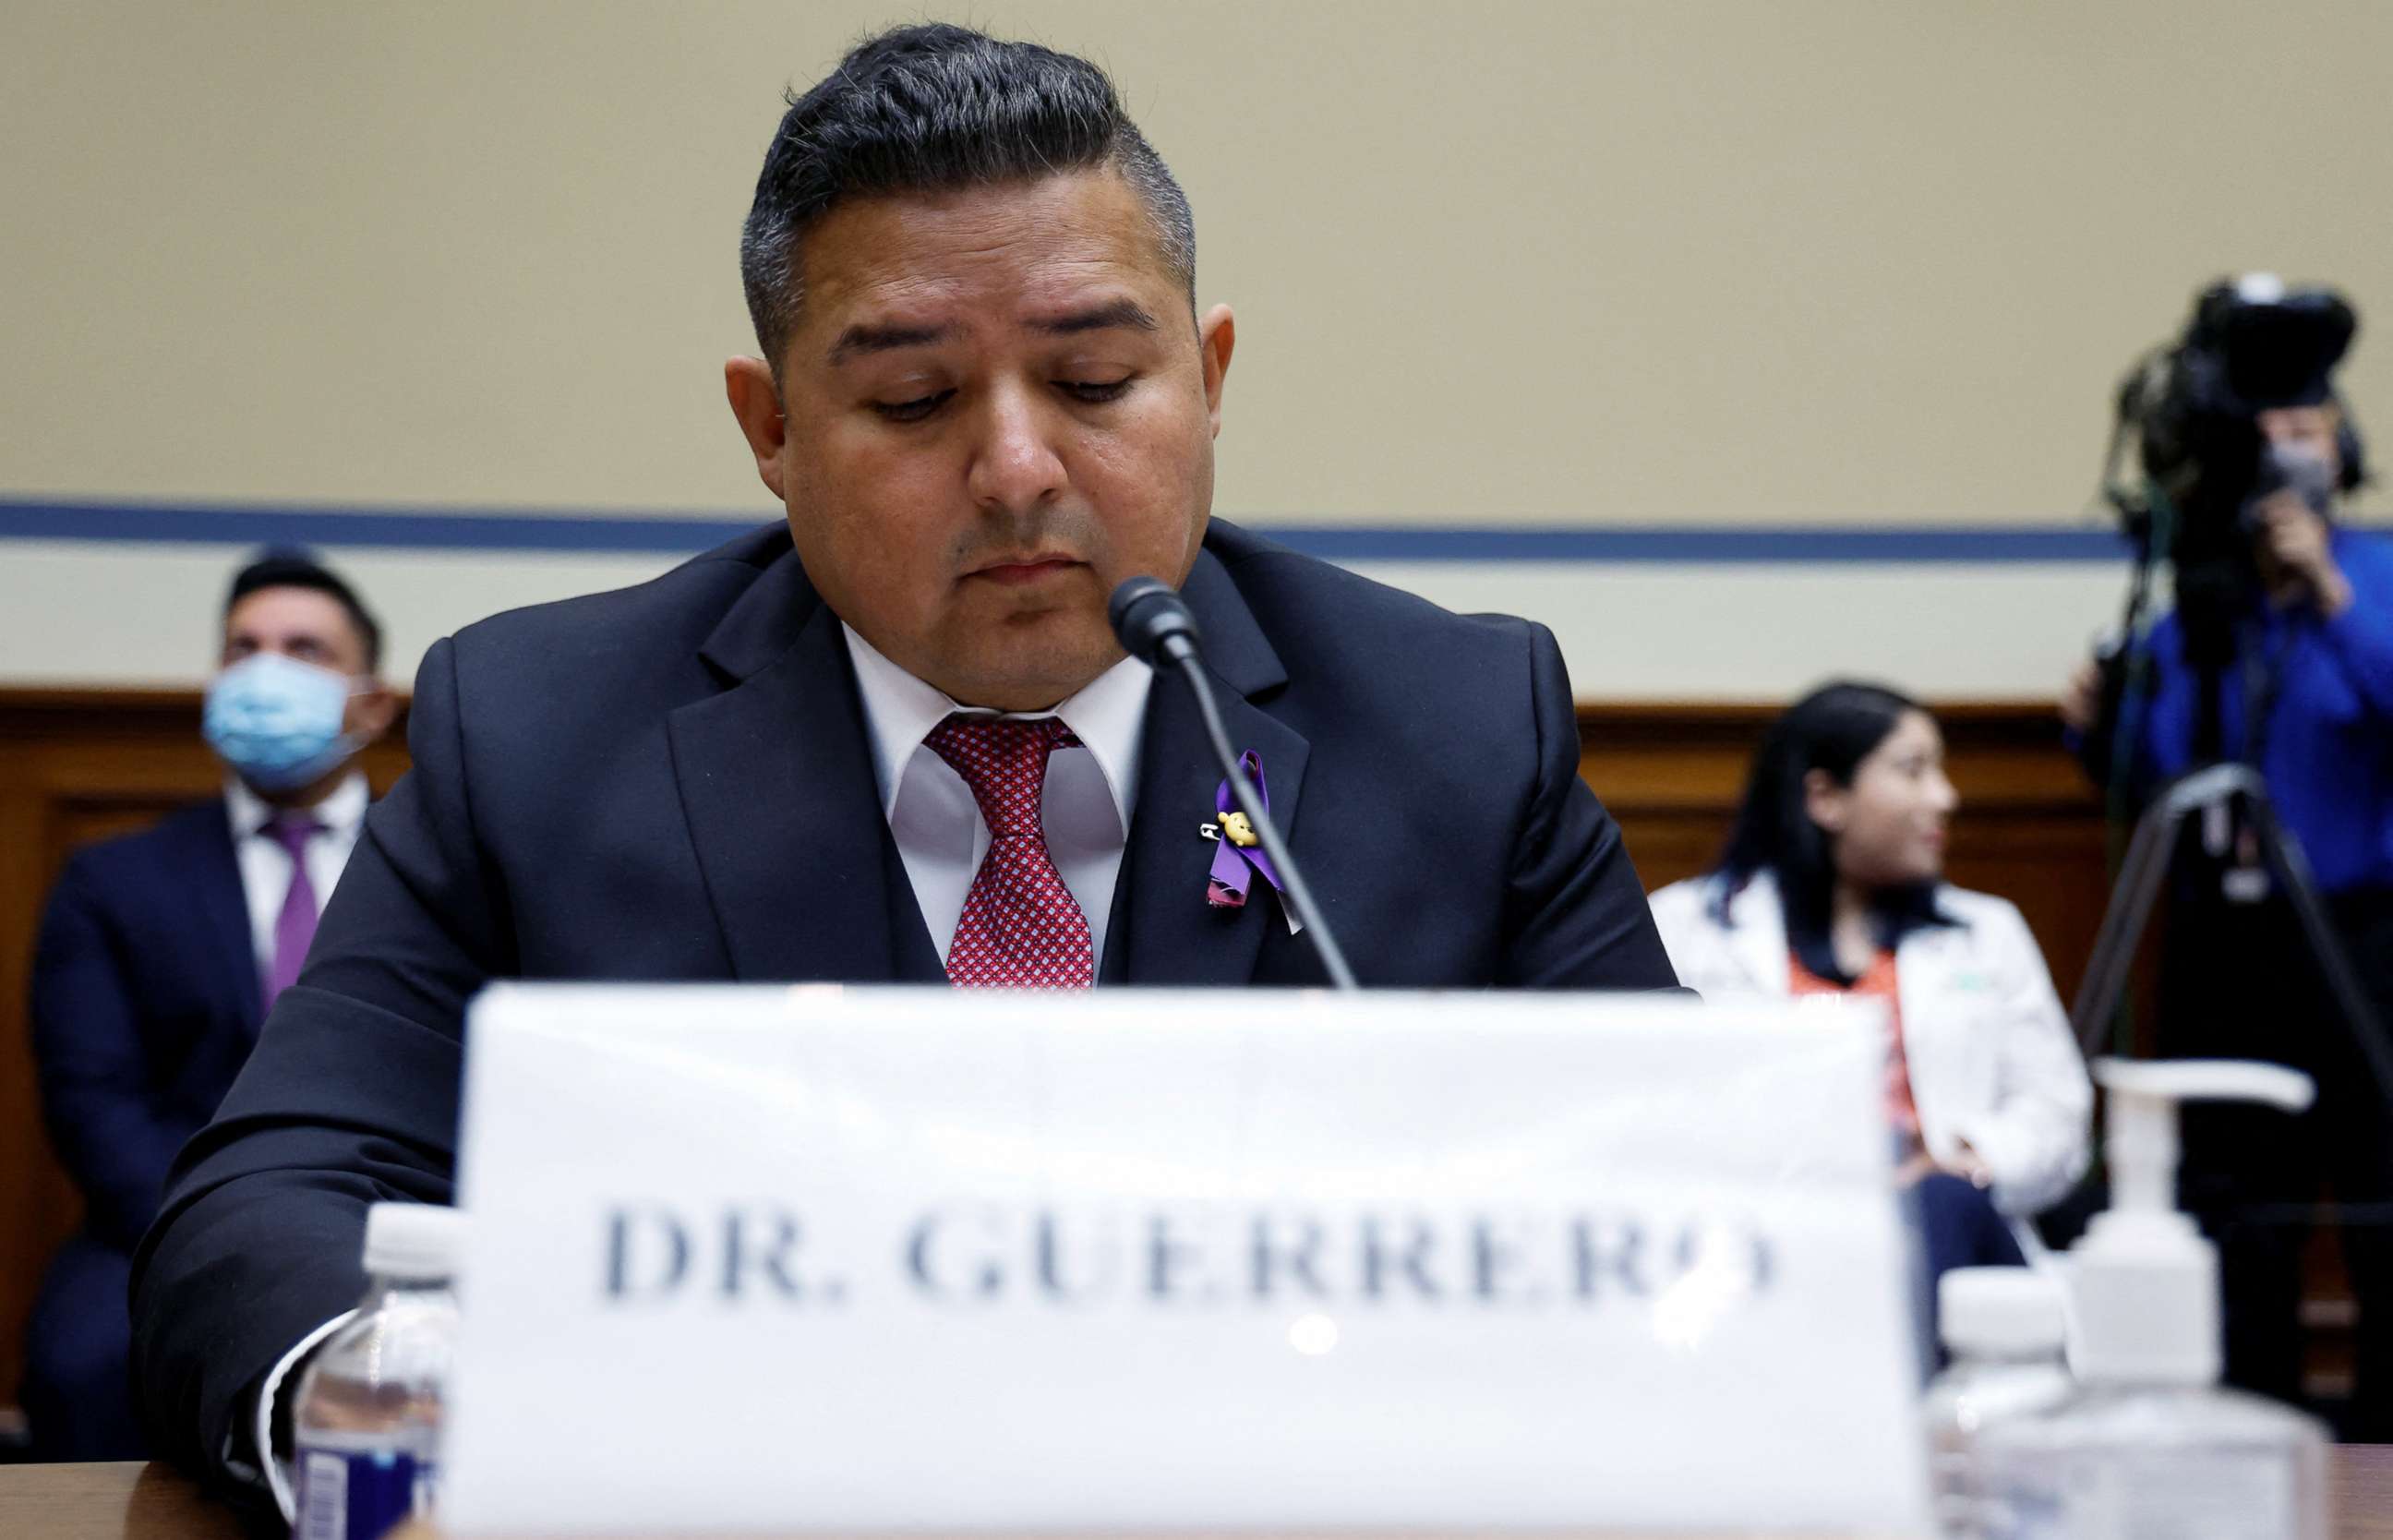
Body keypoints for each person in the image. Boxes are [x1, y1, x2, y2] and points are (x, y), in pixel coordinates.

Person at [129, 22, 1679, 1509]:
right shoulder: (537, 732)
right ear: (772, 428)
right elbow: (269, 1200)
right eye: (913, 400)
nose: (1019, 469)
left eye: (1092, 384)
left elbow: (1692, 1200)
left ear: (1206, 379)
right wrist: (404, 1417)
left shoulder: (1455, 721)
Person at [2061, 390, 2393, 1433]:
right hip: (2227, 938)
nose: (2280, 449)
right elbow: (2157, 773)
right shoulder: (2196, 613)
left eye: (2304, 425)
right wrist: (2092, 725)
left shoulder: (2375, 580)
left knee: (2382, 1190)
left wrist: (2329, 593)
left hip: (2365, 929)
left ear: (2343, 451)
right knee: (2234, 1209)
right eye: (2260, 428)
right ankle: (2254, 1427)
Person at [21, 552, 395, 1462]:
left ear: (372, 703)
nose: (266, 671)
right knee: (82, 1361)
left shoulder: (439, 863)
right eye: (243, 649)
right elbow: (93, 1104)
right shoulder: (113, 881)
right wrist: (227, 1239)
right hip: (163, 1225)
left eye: (303, 649)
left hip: (400, 1218)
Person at [1647, 683, 2092, 1338]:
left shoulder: (1985, 932)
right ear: (1825, 798)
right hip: (1772, 1241)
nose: (1945, 797)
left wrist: (1966, 1158)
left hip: (1950, 1244)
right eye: (1914, 771)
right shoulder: (1686, 928)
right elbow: (1652, 1113)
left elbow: (2057, 1116)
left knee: (1935, 1206)